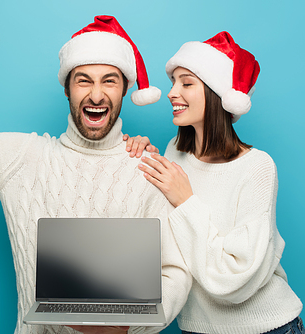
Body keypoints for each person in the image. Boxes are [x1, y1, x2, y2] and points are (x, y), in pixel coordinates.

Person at [0, 15, 191, 334]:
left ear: (126, 89)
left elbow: (176, 269)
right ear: (67, 89)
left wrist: (130, 327)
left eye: (110, 81)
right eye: (84, 80)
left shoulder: (147, 168)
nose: (97, 95)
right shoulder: (22, 157)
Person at [126, 31, 303, 333]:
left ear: (216, 93)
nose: (172, 92)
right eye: (173, 82)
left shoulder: (258, 168)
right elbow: (162, 236)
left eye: (186, 83)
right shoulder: (173, 153)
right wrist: (134, 154)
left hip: (267, 327)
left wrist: (186, 201)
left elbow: (233, 277)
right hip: (197, 327)